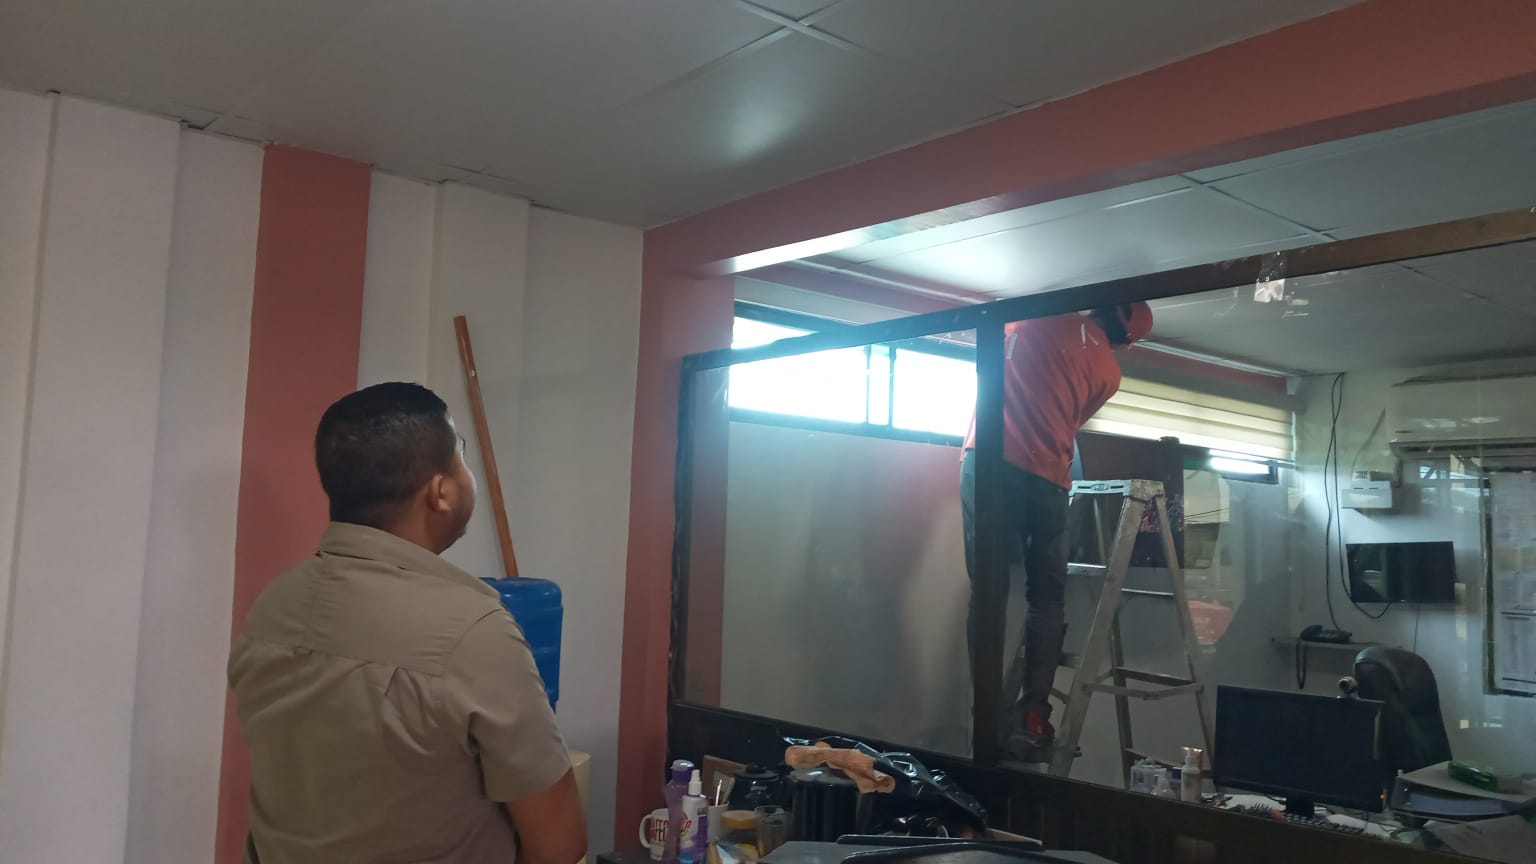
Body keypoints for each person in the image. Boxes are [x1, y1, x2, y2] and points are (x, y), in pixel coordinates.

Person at [229, 382, 586, 864]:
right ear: (440, 492)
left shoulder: (272, 606)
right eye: (461, 455)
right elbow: (559, 845)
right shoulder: (473, 631)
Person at [960, 302, 1153, 758]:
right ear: (1125, 340)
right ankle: (1033, 715)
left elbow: (990, 356)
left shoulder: (1031, 317)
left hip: (989, 464)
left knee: (989, 591)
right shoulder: (1110, 373)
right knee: (1046, 597)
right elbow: (1070, 419)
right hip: (1048, 478)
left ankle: (987, 712)